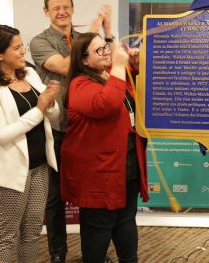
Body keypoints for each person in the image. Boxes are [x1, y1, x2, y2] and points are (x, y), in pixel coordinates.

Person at [29, 0, 113, 263]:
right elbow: (66, 66)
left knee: (89, 193)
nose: (62, 12)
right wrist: (91, 35)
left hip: (87, 129)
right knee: (55, 198)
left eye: (66, 6)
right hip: (56, 130)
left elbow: (104, 65)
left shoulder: (83, 38)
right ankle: (57, 255)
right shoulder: (39, 41)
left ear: (72, 8)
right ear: (46, 12)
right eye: (56, 8)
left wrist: (107, 34)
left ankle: (93, 255)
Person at [0, 25, 60, 263]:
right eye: (17, 47)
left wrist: (50, 103)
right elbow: (2, 134)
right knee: (6, 236)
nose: (24, 51)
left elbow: (53, 115)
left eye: (22, 45)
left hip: (40, 165)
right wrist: (40, 108)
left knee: (32, 233)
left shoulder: (29, 74)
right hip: (7, 170)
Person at [60, 32, 149, 263]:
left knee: (126, 221)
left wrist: (135, 65)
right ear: (84, 60)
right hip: (98, 172)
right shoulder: (79, 84)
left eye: (106, 47)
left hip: (125, 165)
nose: (107, 51)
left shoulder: (111, 76)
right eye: (99, 50)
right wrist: (119, 65)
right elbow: (106, 105)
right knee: (99, 227)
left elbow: (130, 92)